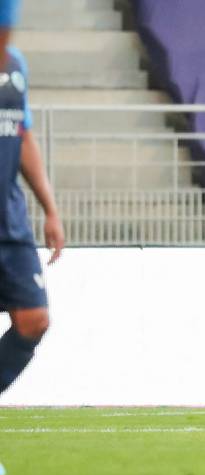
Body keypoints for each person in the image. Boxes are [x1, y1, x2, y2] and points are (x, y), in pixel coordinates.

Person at [0, 0, 65, 399]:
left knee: (33, 319)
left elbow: (21, 135)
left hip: (9, 221)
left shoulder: (15, 67)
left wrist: (51, 209)